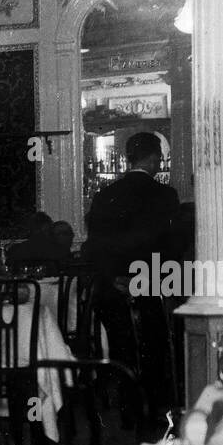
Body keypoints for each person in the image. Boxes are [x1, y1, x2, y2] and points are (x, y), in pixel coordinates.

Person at [83, 131, 180, 417]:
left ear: (128, 158)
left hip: (114, 288)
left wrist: (115, 277)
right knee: (155, 346)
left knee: (122, 348)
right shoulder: (166, 195)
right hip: (151, 285)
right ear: (152, 159)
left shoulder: (105, 196)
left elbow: (96, 246)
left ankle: (129, 409)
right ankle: (156, 409)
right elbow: (168, 246)